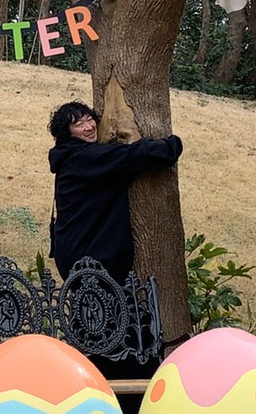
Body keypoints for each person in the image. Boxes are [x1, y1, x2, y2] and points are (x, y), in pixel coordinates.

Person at [47, 101, 183, 286]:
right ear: (67, 133)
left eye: (89, 119)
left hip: (78, 255)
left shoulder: (69, 157)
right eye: (79, 124)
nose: (89, 127)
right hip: (90, 260)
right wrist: (172, 145)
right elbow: (135, 155)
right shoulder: (85, 158)